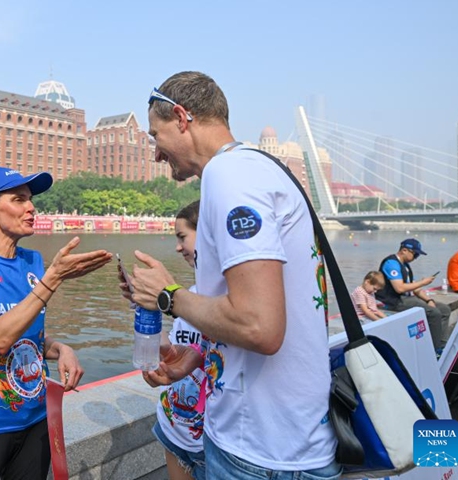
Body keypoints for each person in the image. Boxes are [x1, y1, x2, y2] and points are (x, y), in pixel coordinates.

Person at [120, 71, 340, 479]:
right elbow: (262, 310)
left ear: (182, 118)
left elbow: (260, 326)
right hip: (281, 440)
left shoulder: (230, 175)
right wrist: (196, 358)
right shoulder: (261, 168)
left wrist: (167, 295)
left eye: (155, 136)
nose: (155, 153)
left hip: (261, 451)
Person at [0, 167, 112, 480]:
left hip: (36, 420)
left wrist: (61, 348)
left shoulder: (32, 262)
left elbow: (26, 337)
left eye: (31, 200)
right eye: (19, 200)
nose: (31, 207)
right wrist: (53, 279)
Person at [153, 200, 207, 480]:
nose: (178, 246)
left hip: (212, 441)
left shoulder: (233, 306)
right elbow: (171, 351)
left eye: (182, 237)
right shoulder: (189, 296)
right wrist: (146, 309)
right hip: (174, 428)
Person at [375, 238, 450, 353]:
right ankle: (433, 351)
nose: (415, 258)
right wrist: (424, 282)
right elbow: (399, 288)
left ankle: (441, 345)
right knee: (434, 313)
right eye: (415, 254)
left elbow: (415, 287)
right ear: (404, 250)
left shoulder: (405, 266)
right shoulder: (391, 263)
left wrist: (429, 299)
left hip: (408, 298)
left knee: (444, 309)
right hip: (395, 301)